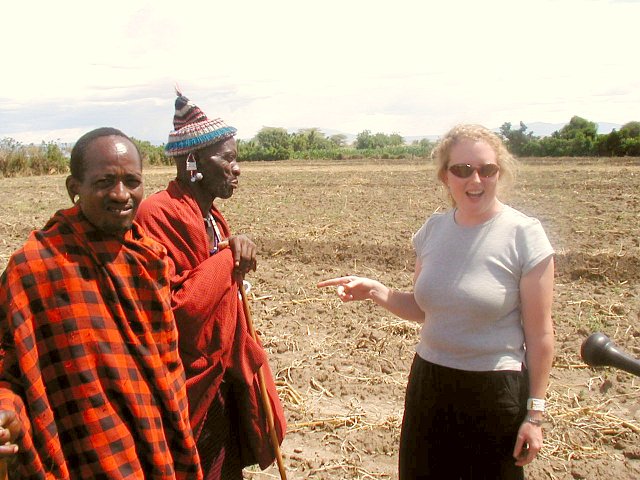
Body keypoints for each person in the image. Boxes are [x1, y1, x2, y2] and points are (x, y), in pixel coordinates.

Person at [318, 124, 555, 479]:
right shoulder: (433, 230)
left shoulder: (524, 235)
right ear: (445, 175)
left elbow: (540, 337)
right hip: (429, 383)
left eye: (487, 169)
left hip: (494, 391)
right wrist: (374, 290)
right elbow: (424, 309)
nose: (476, 179)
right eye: (463, 169)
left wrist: (534, 415)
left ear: (498, 173)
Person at [0, 128, 202, 478]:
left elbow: (166, 368)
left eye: (132, 181)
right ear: (73, 188)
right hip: (80, 446)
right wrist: (5, 412)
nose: (121, 194)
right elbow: (7, 367)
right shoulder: (35, 268)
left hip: (156, 443)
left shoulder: (149, 259)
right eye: (105, 181)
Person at [136, 92, 285, 480]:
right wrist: (226, 259)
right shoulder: (157, 213)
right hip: (183, 380)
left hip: (220, 376)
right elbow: (178, 308)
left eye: (237, 159)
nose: (237, 169)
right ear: (193, 161)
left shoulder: (213, 218)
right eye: (228, 159)